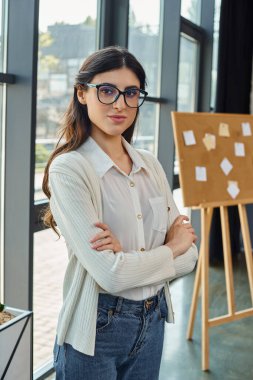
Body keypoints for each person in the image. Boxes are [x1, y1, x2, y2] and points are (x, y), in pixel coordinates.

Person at [42, 46, 198, 380]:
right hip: (96, 330)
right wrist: (171, 248)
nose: (120, 104)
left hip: (152, 320)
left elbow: (193, 256)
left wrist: (128, 260)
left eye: (130, 93)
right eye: (107, 91)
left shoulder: (150, 165)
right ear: (82, 93)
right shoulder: (70, 170)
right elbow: (111, 276)